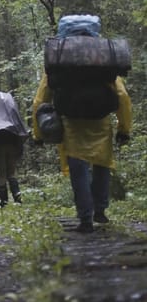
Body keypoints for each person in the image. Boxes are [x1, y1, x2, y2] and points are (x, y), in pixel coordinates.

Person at [31, 15, 133, 233]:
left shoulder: (58, 61)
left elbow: (40, 101)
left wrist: (38, 134)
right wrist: (124, 129)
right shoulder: (103, 59)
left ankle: (85, 218)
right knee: (102, 164)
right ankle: (100, 210)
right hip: (101, 123)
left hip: (72, 124)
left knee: (78, 169)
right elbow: (122, 96)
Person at [0, 90, 30, 207]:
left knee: (2, 174)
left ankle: (4, 202)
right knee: (11, 173)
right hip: (12, 143)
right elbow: (20, 128)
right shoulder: (11, 109)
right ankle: (17, 198)